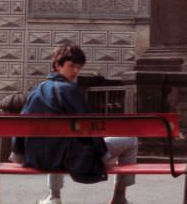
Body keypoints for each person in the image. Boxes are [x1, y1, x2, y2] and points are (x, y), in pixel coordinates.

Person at [12, 43, 138, 204]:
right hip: (73, 159)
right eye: (72, 66)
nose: (76, 71)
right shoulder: (71, 91)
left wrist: (19, 154)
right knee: (131, 140)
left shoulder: (36, 91)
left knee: (56, 140)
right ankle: (119, 197)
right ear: (57, 65)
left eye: (79, 67)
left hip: (38, 158)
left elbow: (21, 124)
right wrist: (102, 154)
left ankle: (54, 197)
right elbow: (89, 127)